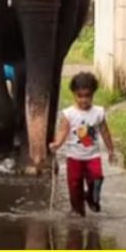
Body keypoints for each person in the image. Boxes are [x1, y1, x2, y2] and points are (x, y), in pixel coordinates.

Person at [49, 72, 115, 217]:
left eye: (88, 96)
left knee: (97, 179)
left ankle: (91, 198)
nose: (84, 100)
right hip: (74, 157)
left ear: (93, 94)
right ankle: (77, 211)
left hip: (93, 156)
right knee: (74, 187)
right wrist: (57, 144)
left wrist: (111, 150)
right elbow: (62, 131)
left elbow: (105, 131)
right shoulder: (69, 114)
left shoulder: (98, 112)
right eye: (80, 96)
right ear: (74, 94)